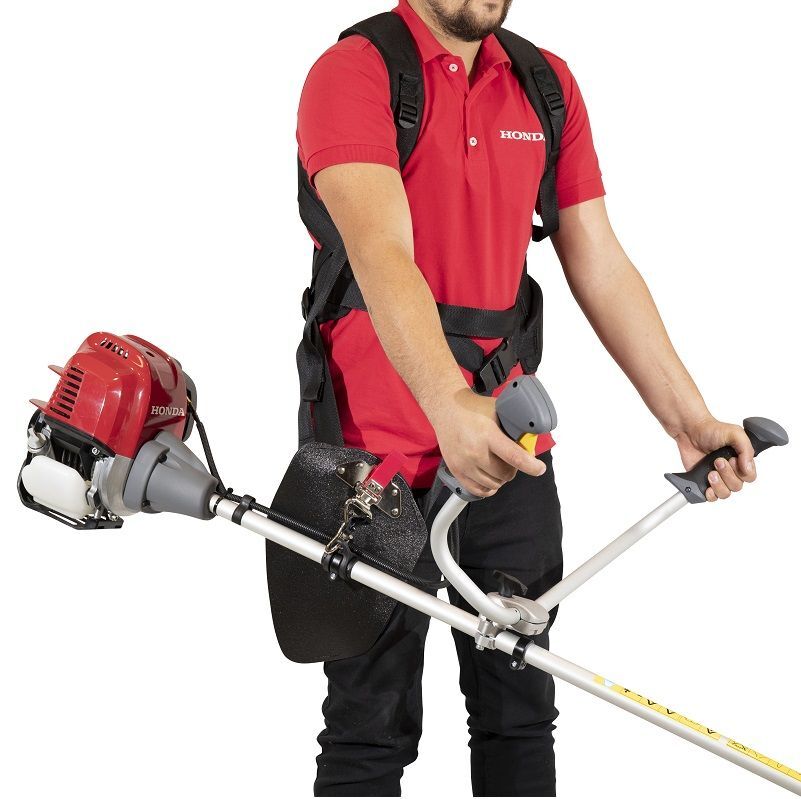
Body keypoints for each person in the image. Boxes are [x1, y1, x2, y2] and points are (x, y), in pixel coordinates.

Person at [296, 1, 758, 795]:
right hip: (367, 462)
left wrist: (688, 419)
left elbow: (597, 258)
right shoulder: (354, 74)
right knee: (367, 727)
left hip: (507, 450)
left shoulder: (544, 85)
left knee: (518, 711)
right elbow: (379, 251)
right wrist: (448, 404)